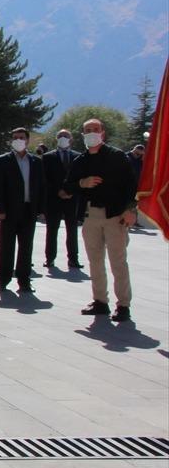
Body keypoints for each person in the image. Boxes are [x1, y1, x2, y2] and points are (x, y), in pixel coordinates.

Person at [68, 119, 138, 322]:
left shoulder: (117, 157)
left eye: (95, 130)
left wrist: (131, 209)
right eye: (87, 131)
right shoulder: (80, 161)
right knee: (95, 261)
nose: (91, 134)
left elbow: (132, 185)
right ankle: (100, 301)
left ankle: (123, 305)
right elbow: (67, 187)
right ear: (82, 135)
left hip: (115, 215)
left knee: (118, 261)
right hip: (91, 216)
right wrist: (83, 182)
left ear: (103, 133)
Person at [0, 127, 45, 293]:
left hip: (29, 209)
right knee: (6, 246)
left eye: (21, 137)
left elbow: (41, 186)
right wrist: (0, 209)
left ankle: (24, 280)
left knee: (26, 246)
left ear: (28, 140)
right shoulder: (2, 161)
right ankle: (4, 278)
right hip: (9, 210)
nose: (18, 140)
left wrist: (41, 209)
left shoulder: (36, 162)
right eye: (15, 137)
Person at [42, 129, 82, 269]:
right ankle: (50, 258)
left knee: (72, 230)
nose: (63, 138)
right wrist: (57, 191)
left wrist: (71, 191)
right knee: (52, 230)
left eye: (66, 136)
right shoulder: (48, 157)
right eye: (60, 136)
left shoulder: (78, 157)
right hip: (54, 199)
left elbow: (80, 178)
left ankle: (73, 259)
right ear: (56, 139)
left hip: (72, 199)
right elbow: (44, 179)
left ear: (71, 139)